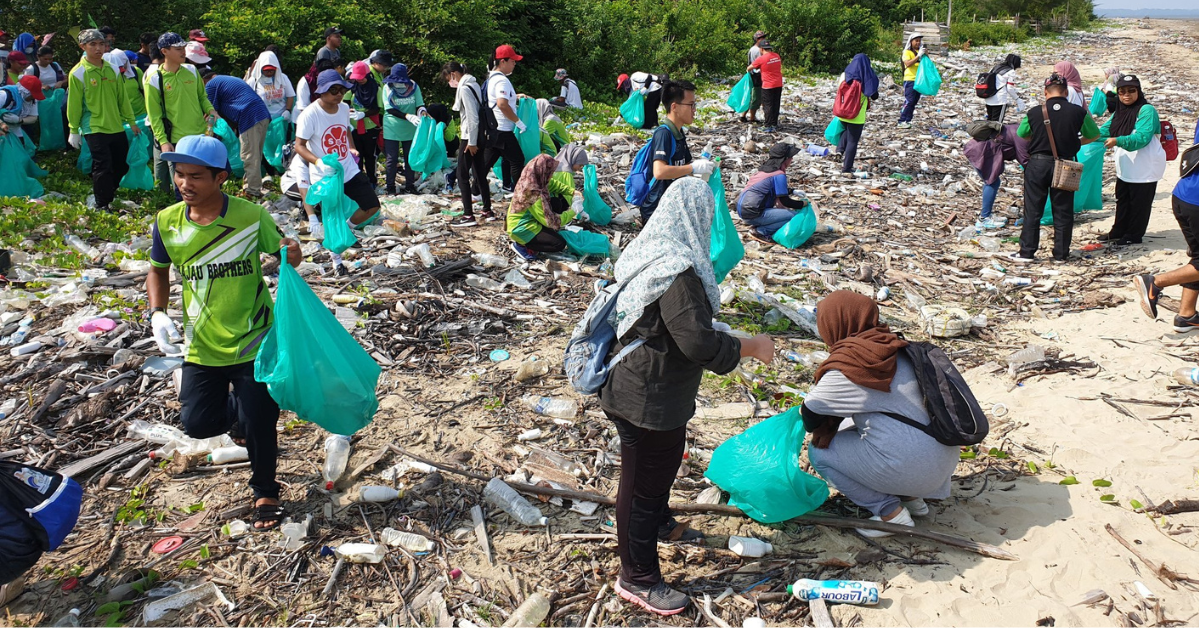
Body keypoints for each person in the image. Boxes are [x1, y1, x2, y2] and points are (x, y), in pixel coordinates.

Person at [599, 177, 774, 616]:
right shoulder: (675, 268)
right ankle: (636, 577)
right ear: (695, 217)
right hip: (645, 396)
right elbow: (696, 342)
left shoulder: (649, 249)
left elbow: (675, 328)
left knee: (661, 463)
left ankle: (657, 522)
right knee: (639, 484)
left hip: (650, 388)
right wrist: (749, 346)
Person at [147, 134, 302, 532]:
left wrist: (291, 250)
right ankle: (240, 416)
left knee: (261, 423)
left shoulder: (249, 217)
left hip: (253, 338)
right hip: (201, 344)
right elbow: (158, 271)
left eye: (196, 176)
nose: (185, 184)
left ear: (220, 178)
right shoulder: (167, 222)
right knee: (198, 425)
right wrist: (158, 313)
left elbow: (285, 250)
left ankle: (265, 490)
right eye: (179, 175)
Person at [802, 290, 958, 537]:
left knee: (820, 452)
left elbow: (811, 415)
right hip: (944, 462)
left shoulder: (854, 363)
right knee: (867, 427)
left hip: (916, 468)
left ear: (834, 324)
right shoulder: (899, 347)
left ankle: (891, 515)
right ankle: (913, 500)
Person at [1010, 73, 1100, 263]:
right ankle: (1060, 254)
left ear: (1045, 92)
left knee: (1033, 209)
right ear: (1066, 92)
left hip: (1038, 164)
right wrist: (1074, 143)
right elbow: (1094, 135)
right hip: (1066, 164)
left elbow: (1022, 134)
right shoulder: (1078, 112)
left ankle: (1027, 252)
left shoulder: (1034, 112)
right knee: (1063, 210)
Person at [294, 69, 381, 231]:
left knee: (372, 205)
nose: (339, 94)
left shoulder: (343, 109)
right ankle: (336, 244)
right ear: (321, 91)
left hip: (348, 168)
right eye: (333, 90)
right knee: (332, 215)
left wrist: (351, 147)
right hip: (325, 174)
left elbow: (345, 129)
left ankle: (347, 229)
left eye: (342, 90)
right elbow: (299, 145)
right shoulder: (309, 115)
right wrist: (318, 162)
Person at [67, 29, 138, 212]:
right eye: (93, 44)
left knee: (121, 164)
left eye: (101, 44)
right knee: (103, 165)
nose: (98, 48)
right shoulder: (78, 73)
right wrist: (73, 129)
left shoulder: (112, 68)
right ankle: (101, 203)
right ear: (83, 47)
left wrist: (131, 121)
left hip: (115, 124)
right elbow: (74, 104)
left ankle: (108, 192)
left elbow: (122, 98)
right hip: (93, 126)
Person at [1132, 138, 1199, 330]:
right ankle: (1154, 282)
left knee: (1197, 259)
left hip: (1184, 195)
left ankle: (1187, 315)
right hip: (1195, 201)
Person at [1094, 74, 1166, 246]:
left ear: (1138, 91)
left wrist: (1117, 141)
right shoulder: (1119, 111)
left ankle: (1133, 235)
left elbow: (1142, 138)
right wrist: (1083, 137)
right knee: (1123, 199)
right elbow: (1104, 132)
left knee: (1139, 203)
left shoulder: (1146, 110)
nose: (1126, 95)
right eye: (1122, 91)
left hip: (1145, 166)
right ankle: (1118, 230)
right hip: (1125, 166)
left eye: (1131, 91)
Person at [145, 32, 218, 195]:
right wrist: (163, 141)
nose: (183, 51)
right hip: (177, 139)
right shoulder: (155, 79)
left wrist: (210, 110)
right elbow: (154, 116)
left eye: (183, 47)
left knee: (201, 177)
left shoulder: (191, 70)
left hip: (200, 133)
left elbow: (202, 97)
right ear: (164, 51)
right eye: (177, 48)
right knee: (182, 186)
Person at [637, 79, 712, 223]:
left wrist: (701, 167)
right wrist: (693, 167)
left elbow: (684, 165)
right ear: (674, 107)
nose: (694, 109)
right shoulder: (663, 134)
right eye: (691, 105)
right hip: (657, 211)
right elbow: (660, 172)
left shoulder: (678, 132)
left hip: (672, 206)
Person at [202, 69, 272, 197]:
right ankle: (249, 185)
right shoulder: (228, 79)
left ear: (203, 80)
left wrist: (207, 134)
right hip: (262, 114)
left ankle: (253, 191)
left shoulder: (210, 85)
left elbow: (211, 113)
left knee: (249, 156)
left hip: (250, 117)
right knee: (255, 154)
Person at [444, 61, 494, 225]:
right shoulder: (474, 85)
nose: (449, 83)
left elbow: (472, 117)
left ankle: (468, 215)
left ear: (453, 74)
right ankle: (487, 210)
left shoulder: (464, 88)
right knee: (479, 172)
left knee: (462, 175)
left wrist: (471, 142)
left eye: (448, 79)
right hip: (478, 135)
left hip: (470, 136)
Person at [505, 154, 582, 259]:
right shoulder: (533, 192)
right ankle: (521, 245)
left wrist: (572, 191)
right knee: (558, 244)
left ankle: (541, 236)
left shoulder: (533, 177)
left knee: (556, 203)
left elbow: (553, 184)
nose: (551, 174)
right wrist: (573, 211)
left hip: (530, 219)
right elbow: (551, 221)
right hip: (520, 228)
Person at [736, 142, 811, 242]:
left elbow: (775, 190)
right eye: (790, 157)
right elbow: (785, 202)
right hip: (753, 213)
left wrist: (793, 191)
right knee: (794, 217)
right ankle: (761, 231)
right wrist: (803, 204)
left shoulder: (764, 170)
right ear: (784, 159)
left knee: (785, 213)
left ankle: (759, 225)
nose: (791, 160)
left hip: (742, 210)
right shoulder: (779, 175)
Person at [963, 121, 1028, 227]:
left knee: (991, 182)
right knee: (992, 182)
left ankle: (986, 215)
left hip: (977, 149)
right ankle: (984, 218)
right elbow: (1024, 158)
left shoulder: (1017, 128)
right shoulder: (1021, 135)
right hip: (982, 152)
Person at [483, 44, 526, 192]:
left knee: (486, 163)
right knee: (517, 160)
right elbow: (502, 104)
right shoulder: (502, 80)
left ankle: (475, 191)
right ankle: (519, 193)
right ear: (503, 61)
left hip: (493, 127)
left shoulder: (491, 78)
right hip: (503, 128)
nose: (514, 64)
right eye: (513, 61)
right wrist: (518, 122)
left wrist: (516, 96)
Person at [381, 62, 426, 195]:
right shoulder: (387, 88)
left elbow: (420, 104)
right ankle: (390, 187)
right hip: (392, 127)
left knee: (410, 158)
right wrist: (407, 116)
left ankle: (410, 185)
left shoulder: (413, 86)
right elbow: (389, 109)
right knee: (392, 159)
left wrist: (422, 112)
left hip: (410, 128)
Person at [835, 54, 879, 174]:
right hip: (857, 116)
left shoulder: (845, 74)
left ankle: (839, 150)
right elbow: (874, 96)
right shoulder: (867, 77)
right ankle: (846, 168)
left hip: (843, 112)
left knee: (846, 130)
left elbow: (839, 89)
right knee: (852, 141)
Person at [347, 61, 382, 190]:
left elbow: (378, 108)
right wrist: (349, 110)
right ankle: (359, 180)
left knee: (370, 156)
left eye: (361, 77)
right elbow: (345, 101)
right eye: (356, 77)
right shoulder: (353, 87)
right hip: (353, 127)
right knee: (357, 155)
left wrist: (363, 114)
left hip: (370, 127)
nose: (359, 80)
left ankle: (372, 180)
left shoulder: (375, 88)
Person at [246, 50, 295, 122]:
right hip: (261, 119)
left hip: (280, 119)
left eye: (271, 70)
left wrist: (288, 110)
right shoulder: (253, 81)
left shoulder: (283, 78)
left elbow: (290, 95)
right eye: (266, 70)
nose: (269, 73)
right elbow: (246, 99)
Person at [747, 40, 781, 132]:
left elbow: (749, 68)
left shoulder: (762, 58)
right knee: (775, 104)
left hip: (768, 85)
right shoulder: (777, 56)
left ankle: (768, 125)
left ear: (761, 49)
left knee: (767, 105)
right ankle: (774, 124)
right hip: (778, 84)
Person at [0, 75, 43, 144]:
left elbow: (33, 117)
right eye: (32, 95)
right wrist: (1, 124)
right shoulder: (5, 95)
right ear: (25, 91)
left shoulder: (33, 100)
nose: (34, 98)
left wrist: (19, 120)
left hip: (15, 131)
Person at [106, 49, 145, 120]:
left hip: (142, 114)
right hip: (121, 119)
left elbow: (145, 92)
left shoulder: (136, 71)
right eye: (119, 64)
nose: (123, 67)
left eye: (125, 63)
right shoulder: (107, 77)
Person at [897, 33, 924, 128]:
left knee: (915, 101)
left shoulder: (920, 52)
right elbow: (908, 63)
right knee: (909, 100)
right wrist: (918, 56)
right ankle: (901, 120)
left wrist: (925, 54)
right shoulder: (907, 52)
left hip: (919, 80)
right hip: (910, 79)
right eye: (916, 40)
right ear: (911, 41)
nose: (918, 42)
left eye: (919, 41)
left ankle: (908, 120)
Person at [984, 54, 1021, 122]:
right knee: (997, 123)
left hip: (988, 97)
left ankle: (988, 132)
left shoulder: (995, 67)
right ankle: (995, 133)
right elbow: (1010, 88)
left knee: (989, 120)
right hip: (999, 100)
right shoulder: (1011, 72)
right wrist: (1017, 99)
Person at [743, 31, 767, 124]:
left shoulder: (756, 49)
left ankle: (743, 115)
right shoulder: (756, 50)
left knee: (754, 96)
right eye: (762, 38)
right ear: (757, 39)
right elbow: (756, 64)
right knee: (756, 97)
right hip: (756, 76)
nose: (764, 39)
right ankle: (752, 118)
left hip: (756, 75)